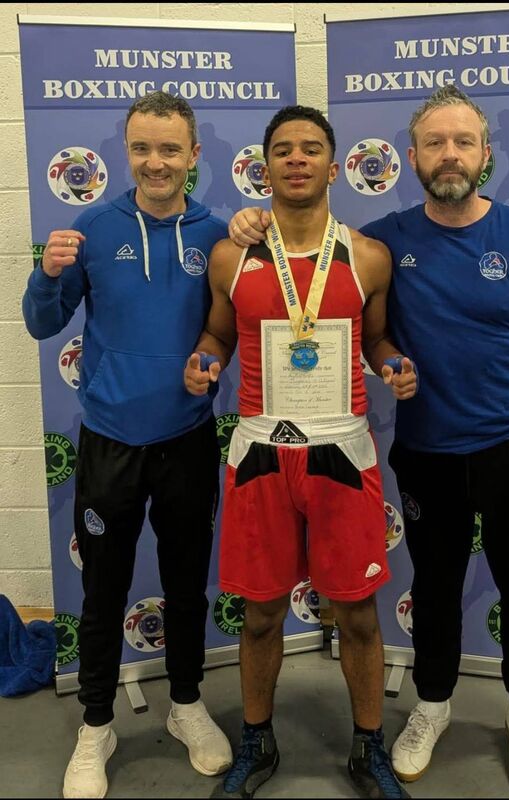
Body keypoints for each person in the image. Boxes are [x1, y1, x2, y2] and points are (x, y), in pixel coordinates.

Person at [226, 85, 509, 799]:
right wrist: (249, 220)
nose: (449, 155)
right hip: (428, 453)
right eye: (435, 143)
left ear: (485, 153)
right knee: (434, 591)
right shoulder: (382, 243)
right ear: (410, 158)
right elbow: (310, 250)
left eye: (463, 141)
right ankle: (433, 706)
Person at [184, 105, 416, 799]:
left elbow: (377, 339)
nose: (296, 159)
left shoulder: (367, 256)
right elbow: (218, 336)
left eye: (310, 149)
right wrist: (204, 360)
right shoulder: (234, 255)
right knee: (259, 612)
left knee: (357, 613)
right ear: (265, 165)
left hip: (342, 452)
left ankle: (368, 747)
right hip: (260, 453)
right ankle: (258, 741)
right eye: (282, 149)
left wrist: (394, 362)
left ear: (333, 165)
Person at [22, 91, 233, 799]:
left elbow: (238, 326)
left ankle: (185, 705)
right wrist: (47, 273)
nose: (156, 162)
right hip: (110, 443)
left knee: (184, 584)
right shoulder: (92, 225)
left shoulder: (220, 234)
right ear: (126, 150)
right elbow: (41, 324)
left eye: (170, 149)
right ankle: (96, 724)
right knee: (103, 589)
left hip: (189, 441)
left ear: (194, 155)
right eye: (142, 148)